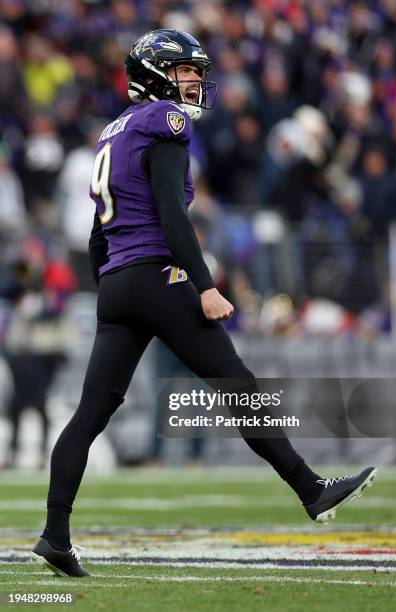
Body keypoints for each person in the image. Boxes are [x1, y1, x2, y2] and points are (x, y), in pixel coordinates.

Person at [32, 29, 377, 578]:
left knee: (90, 413)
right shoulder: (162, 121)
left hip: (119, 281)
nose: (195, 80)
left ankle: (54, 533)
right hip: (157, 273)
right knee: (237, 383)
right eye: (186, 70)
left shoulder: (111, 131)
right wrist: (205, 284)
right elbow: (172, 214)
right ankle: (310, 488)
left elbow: (101, 232)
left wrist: (114, 288)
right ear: (155, 73)